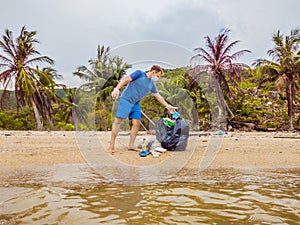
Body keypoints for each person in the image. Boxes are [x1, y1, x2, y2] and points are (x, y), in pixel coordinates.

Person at [108, 65, 177, 153]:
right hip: (126, 100)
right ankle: (111, 146)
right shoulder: (139, 74)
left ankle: (131, 145)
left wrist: (168, 106)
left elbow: (158, 96)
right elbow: (126, 79)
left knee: (136, 123)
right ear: (153, 72)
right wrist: (116, 89)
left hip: (135, 103)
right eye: (158, 76)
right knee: (118, 121)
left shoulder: (151, 85)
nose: (157, 78)